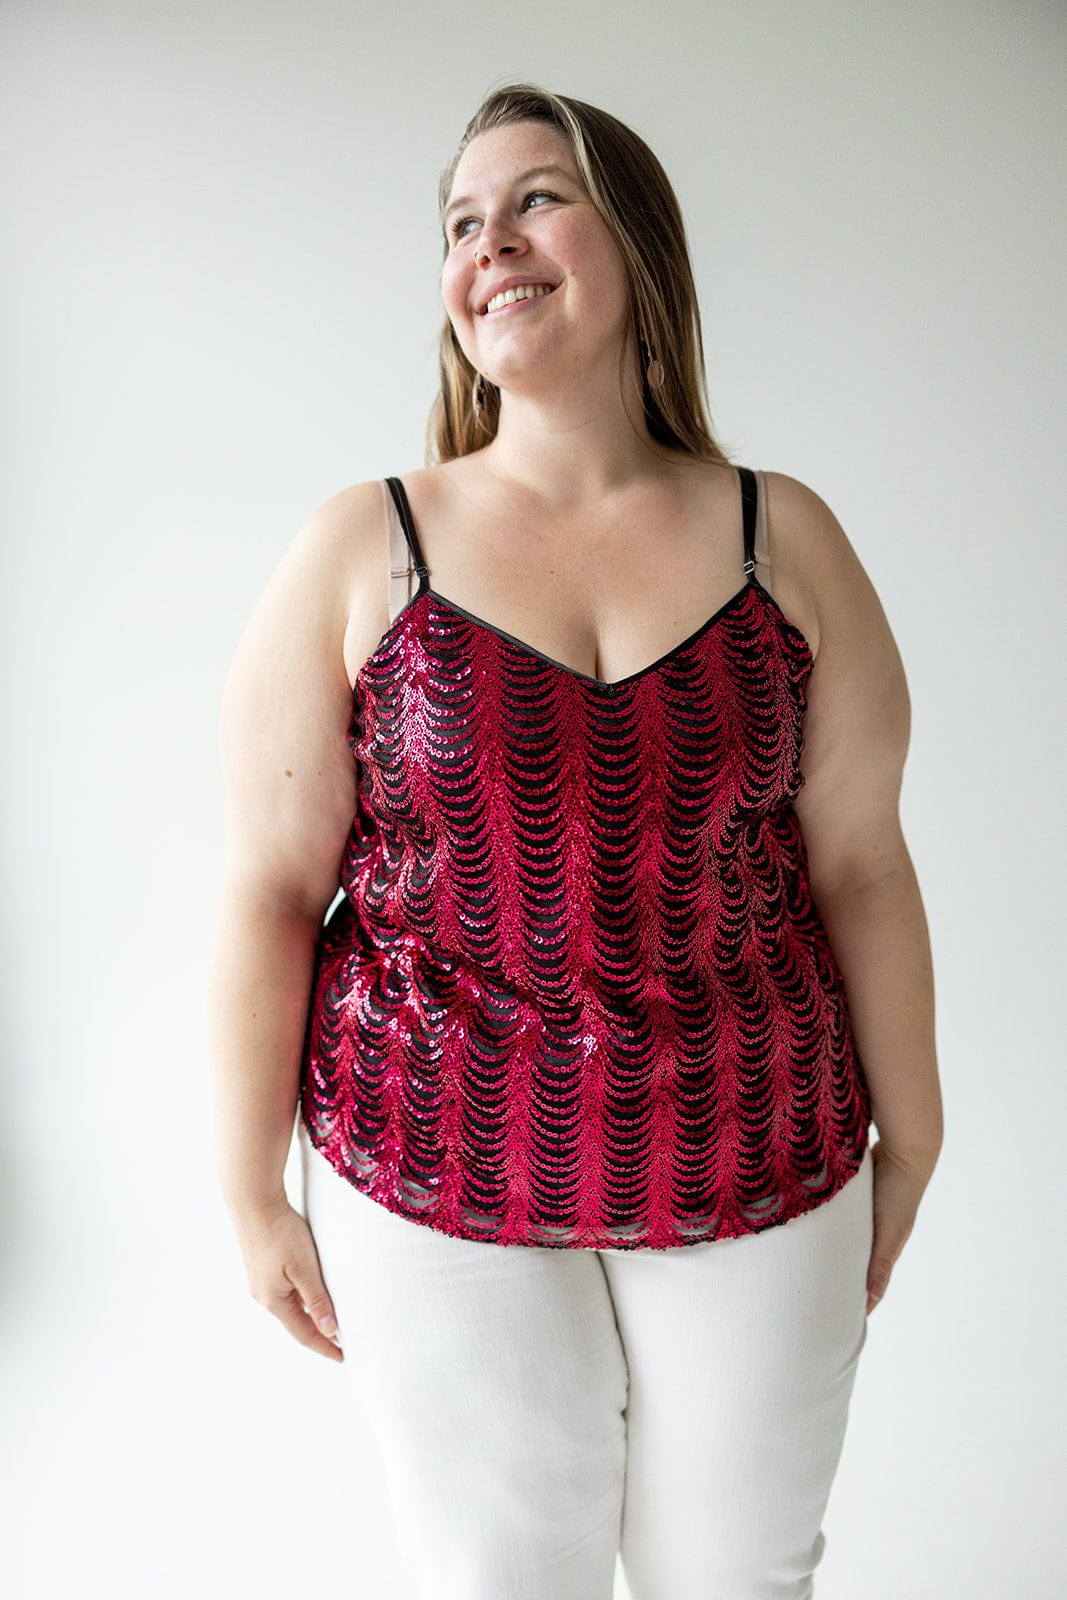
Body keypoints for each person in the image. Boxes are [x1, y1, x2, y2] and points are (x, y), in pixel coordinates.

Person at [209, 81, 943, 1600]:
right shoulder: (366, 545)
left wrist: (916, 1128)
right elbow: (271, 889)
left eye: (536, 199)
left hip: (757, 1150)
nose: (493, 244)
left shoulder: (778, 536)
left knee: (742, 1580)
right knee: (500, 1580)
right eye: (462, 223)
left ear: (638, 245)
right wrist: (248, 1187)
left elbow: (862, 858)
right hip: (434, 1151)